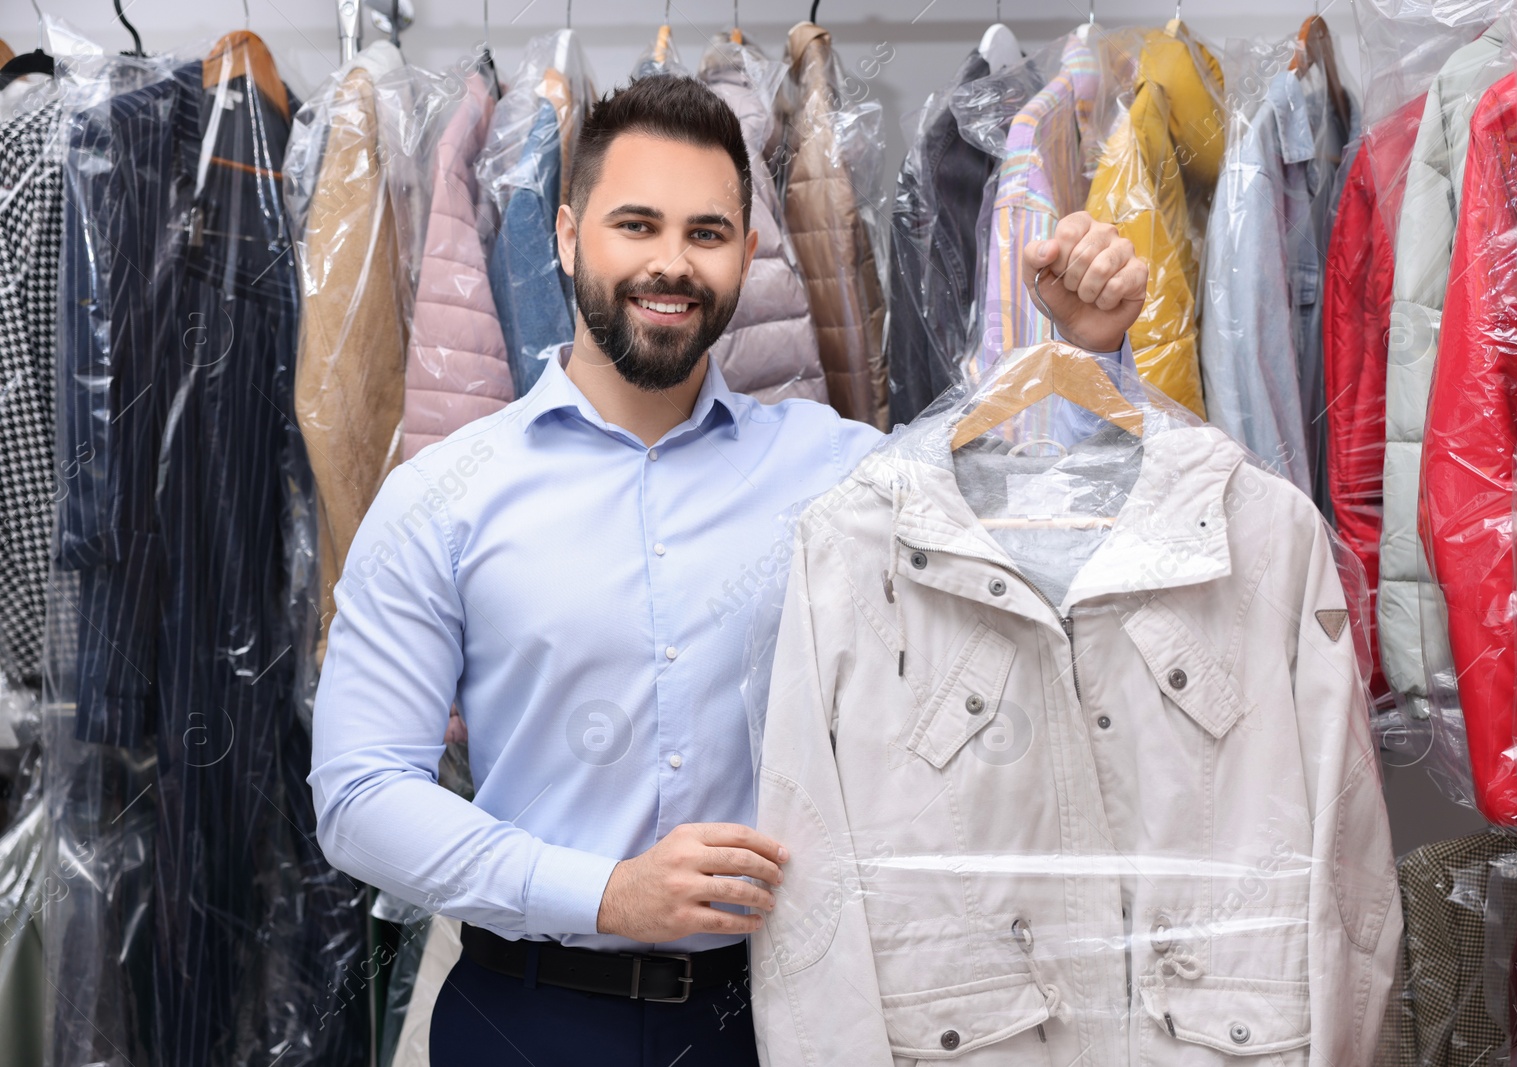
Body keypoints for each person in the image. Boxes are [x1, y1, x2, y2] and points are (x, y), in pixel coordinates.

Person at [308, 73, 1148, 1067]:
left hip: (781, 1019)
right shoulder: (442, 495)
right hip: (526, 1018)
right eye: (637, 224)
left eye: (706, 233)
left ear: (747, 256)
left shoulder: (842, 469)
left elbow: (1051, 560)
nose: (671, 263)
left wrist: (1092, 356)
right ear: (569, 235)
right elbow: (359, 796)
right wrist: (605, 891)